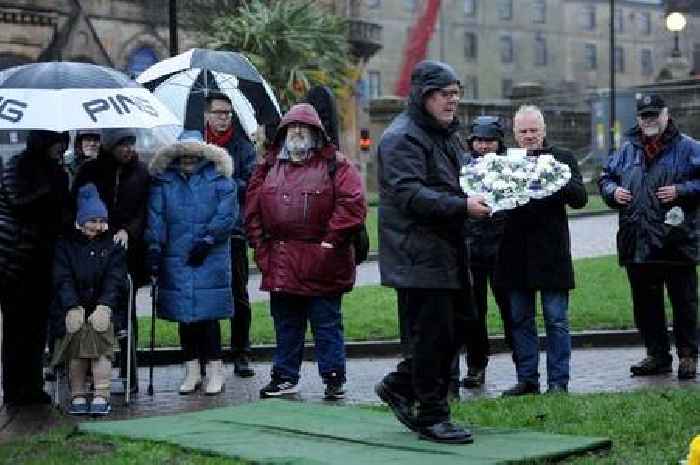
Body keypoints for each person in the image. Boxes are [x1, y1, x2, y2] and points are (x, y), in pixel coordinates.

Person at [374, 60, 490, 444]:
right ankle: (432, 415)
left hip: (447, 252)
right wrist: (463, 207)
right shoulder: (402, 137)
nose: (453, 101)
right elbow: (408, 194)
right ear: (424, 95)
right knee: (432, 338)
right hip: (417, 255)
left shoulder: (445, 135)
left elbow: (464, 176)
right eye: (445, 94)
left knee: (457, 329)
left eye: (456, 94)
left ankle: (398, 385)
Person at [245, 103, 366, 401]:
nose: (297, 131)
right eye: (292, 127)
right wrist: (261, 248)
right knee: (286, 323)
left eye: (304, 127)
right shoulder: (268, 166)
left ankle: (334, 377)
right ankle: (285, 376)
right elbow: (252, 212)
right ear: (284, 133)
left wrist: (330, 242)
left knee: (326, 323)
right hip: (281, 259)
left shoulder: (336, 165)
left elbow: (352, 205)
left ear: (316, 133)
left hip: (324, 259)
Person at [599, 93, 699, 380]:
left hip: (676, 241)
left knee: (684, 303)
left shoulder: (689, 147)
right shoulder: (627, 149)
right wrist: (612, 192)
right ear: (639, 119)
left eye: (655, 114)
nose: (650, 120)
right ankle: (657, 356)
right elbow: (606, 177)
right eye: (645, 116)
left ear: (666, 114)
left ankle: (688, 355)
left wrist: (681, 191)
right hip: (638, 240)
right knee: (645, 305)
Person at [496, 105, 587, 396]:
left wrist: (552, 179)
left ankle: (558, 382)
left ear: (544, 130)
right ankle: (528, 380)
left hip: (551, 253)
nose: (529, 136)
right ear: (514, 134)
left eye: (534, 130)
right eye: (523, 131)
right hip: (515, 253)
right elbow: (491, 204)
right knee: (520, 320)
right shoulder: (505, 162)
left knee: (556, 319)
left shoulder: (562, 158)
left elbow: (580, 199)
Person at [145, 130, 236, 395]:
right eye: (182, 154)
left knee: (208, 318)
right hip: (176, 257)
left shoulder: (219, 179)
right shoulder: (164, 183)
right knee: (185, 318)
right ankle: (192, 370)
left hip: (209, 256)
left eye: (193, 154)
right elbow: (156, 217)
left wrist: (209, 240)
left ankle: (216, 370)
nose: (187, 159)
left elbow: (227, 213)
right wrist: (154, 248)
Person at [72, 128, 150, 392]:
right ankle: (92, 372)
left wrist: (129, 230)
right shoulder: (90, 170)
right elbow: (78, 204)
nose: (128, 149)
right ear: (110, 145)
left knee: (126, 310)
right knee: (92, 307)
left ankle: (130, 372)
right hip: (93, 245)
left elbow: (144, 210)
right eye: (122, 144)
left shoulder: (141, 172)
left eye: (131, 143)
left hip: (127, 249)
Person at [0, 130, 73, 406]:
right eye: (56, 142)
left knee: (36, 328)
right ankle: (13, 387)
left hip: (43, 259)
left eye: (63, 143)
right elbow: (20, 202)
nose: (60, 148)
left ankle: (32, 386)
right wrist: (49, 188)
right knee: (16, 327)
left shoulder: (57, 171)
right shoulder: (17, 166)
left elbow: (61, 213)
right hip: (14, 261)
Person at [50, 184, 127, 415]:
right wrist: (72, 306)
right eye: (92, 220)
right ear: (80, 220)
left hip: (104, 307)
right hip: (70, 307)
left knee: (99, 337)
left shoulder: (113, 245)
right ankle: (78, 394)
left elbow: (116, 278)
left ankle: (102, 394)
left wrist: (105, 306)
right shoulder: (64, 245)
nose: (98, 226)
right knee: (77, 340)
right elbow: (62, 278)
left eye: (102, 221)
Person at [204, 92, 257, 378]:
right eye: (218, 112)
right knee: (206, 295)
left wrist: (222, 178)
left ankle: (241, 353)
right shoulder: (197, 144)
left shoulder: (243, 147)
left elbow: (250, 184)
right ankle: (207, 354)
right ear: (207, 115)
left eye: (227, 113)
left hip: (234, 231)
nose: (223, 118)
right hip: (203, 231)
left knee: (238, 294)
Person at [461, 116, 512, 389]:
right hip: (472, 248)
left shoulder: (512, 166)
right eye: (479, 140)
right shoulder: (463, 166)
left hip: (503, 248)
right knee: (473, 312)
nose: (483, 146)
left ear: (498, 142)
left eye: (489, 141)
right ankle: (476, 365)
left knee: (511, 309)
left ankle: (523, 365)